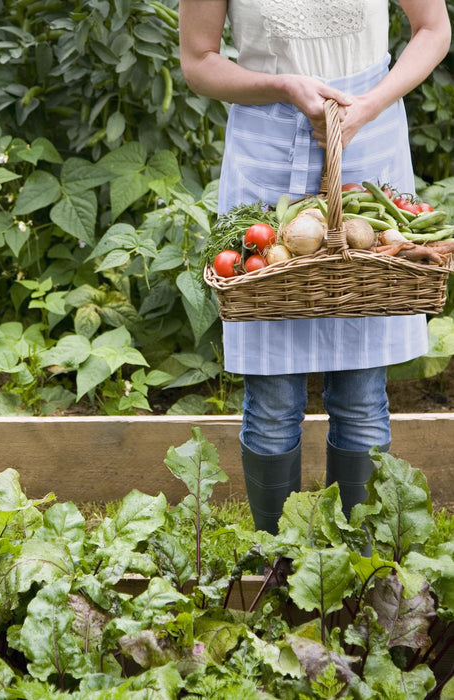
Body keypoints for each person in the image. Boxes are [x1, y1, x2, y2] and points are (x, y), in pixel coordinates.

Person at [178, 0, 452, 534]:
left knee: (361, 392)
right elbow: (198, 59)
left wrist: (370, 105)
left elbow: (434, 28)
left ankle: (355, 567)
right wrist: (281, 85)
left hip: (368, 146)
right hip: (267, 153)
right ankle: (277, 562)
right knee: (274, 399)